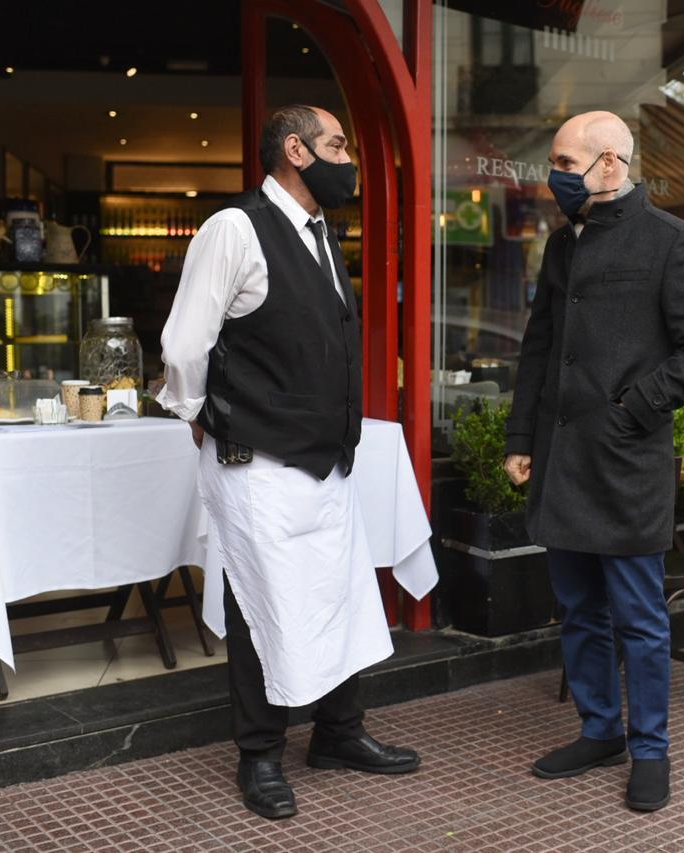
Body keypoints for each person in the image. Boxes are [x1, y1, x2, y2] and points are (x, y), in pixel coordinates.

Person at [158, 105, 419, 822]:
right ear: (297, 150)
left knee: (335, 591)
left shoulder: (320, 233)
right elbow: (185, 345)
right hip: (257, 460)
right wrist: (196, 414)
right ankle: (260, 755)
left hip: (323, 463)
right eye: (339, 144)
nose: (349, 159)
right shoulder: (234, 228)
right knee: (259, 602)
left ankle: (337, 733)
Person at [503, 111, 684, 812]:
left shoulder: (673, 241)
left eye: (567, 163)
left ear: (610, 166)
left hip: (627, 463)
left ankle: (652, 749)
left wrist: (633, 406)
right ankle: (600, 729)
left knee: (639, 617)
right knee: (576, 607)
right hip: (564, 459)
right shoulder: (562, 245)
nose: (555, 176)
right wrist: (520, 438)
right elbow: (539, 348)